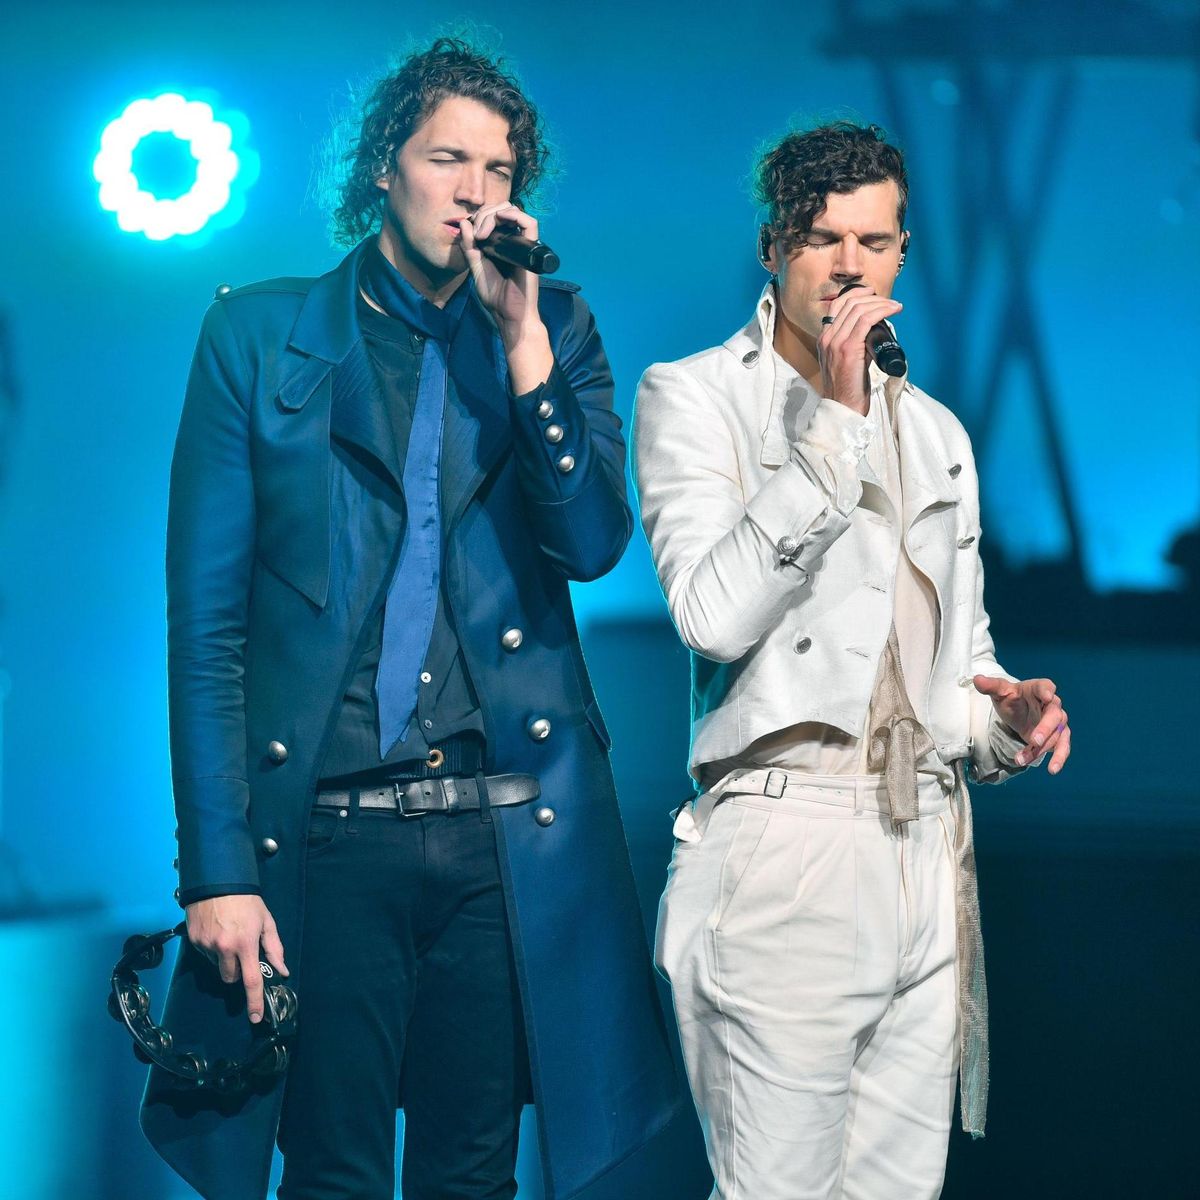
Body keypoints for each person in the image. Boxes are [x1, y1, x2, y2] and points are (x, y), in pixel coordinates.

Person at [141, 37, 680, 1200]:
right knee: (332, 1173)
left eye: (500, 169)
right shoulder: (259, 338)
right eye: (448, 159)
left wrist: (525, 348)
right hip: (331, 831)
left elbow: (593, 543)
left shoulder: (556, 331)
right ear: (385, 165)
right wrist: (213, 873)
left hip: (498, 836)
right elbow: (206, 630)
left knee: (473, 1177)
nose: (474, 191)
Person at [633, 121, 1072, 1199]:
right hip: (785, 841)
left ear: (903, 253)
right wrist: (834, 421)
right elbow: (711, 617)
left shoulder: (939, 434)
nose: (849, 267)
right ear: (772, 247)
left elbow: (957, 664)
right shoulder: (693, 396)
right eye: (822, 239)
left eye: (874, 242)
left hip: (925, 845)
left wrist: (1006, 719)